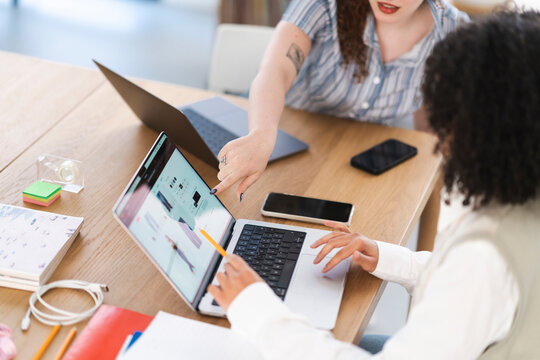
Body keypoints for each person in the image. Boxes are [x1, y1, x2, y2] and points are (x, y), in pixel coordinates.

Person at [208, 11, 540, 359]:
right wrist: (387, 256)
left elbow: (473, 278)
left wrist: (257, 309)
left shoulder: (481, 258)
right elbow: (473, 290)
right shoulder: (520, 210)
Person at [212, 0, 468, 200]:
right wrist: (261, 135)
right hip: (276, 135)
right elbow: (276, 70)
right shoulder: (323, 5)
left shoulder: (452, 29)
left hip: (349, 163)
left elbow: (431, 114)